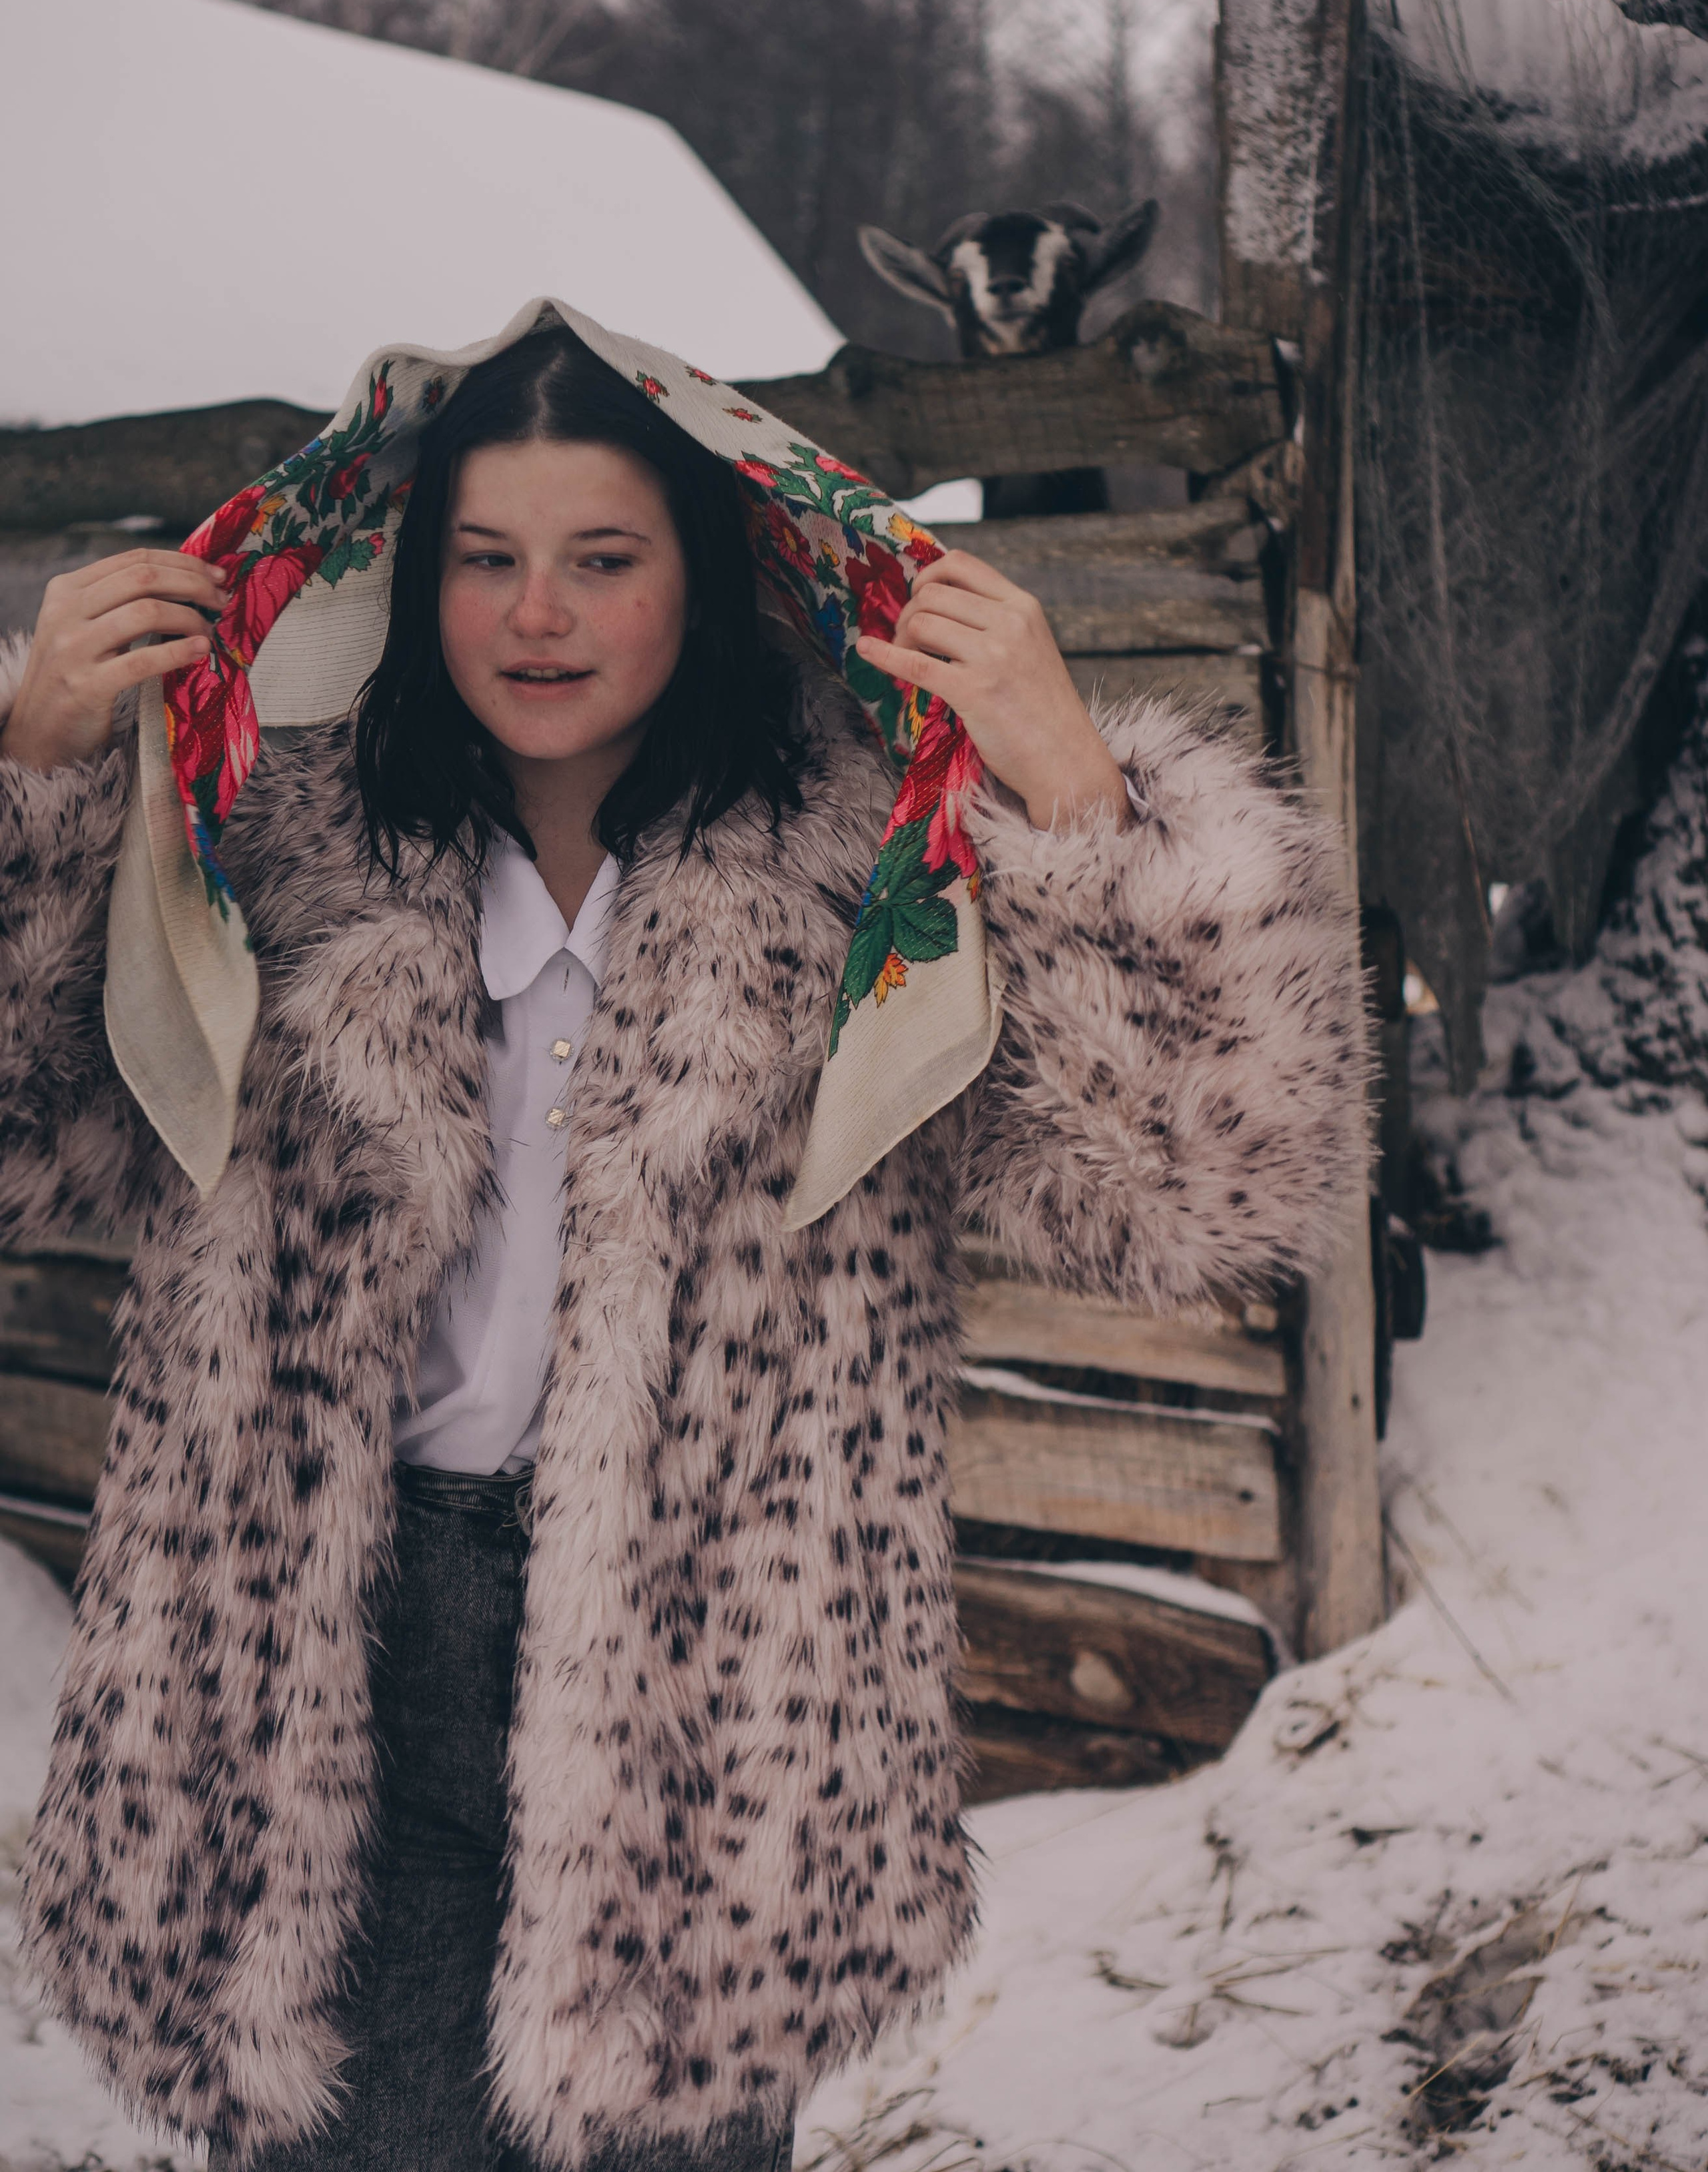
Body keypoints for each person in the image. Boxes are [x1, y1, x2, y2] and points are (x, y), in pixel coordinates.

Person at [0, 310, 1368, 2172]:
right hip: (311, 1669)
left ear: (703, 577)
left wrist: (1068, 783)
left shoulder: (878, 865)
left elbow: (1203, 1188)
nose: (535, 615)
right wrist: (37, 774)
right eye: (485, 558)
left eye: (602, 559)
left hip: (720, 1690)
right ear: (418, 577)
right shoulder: (251, 832)